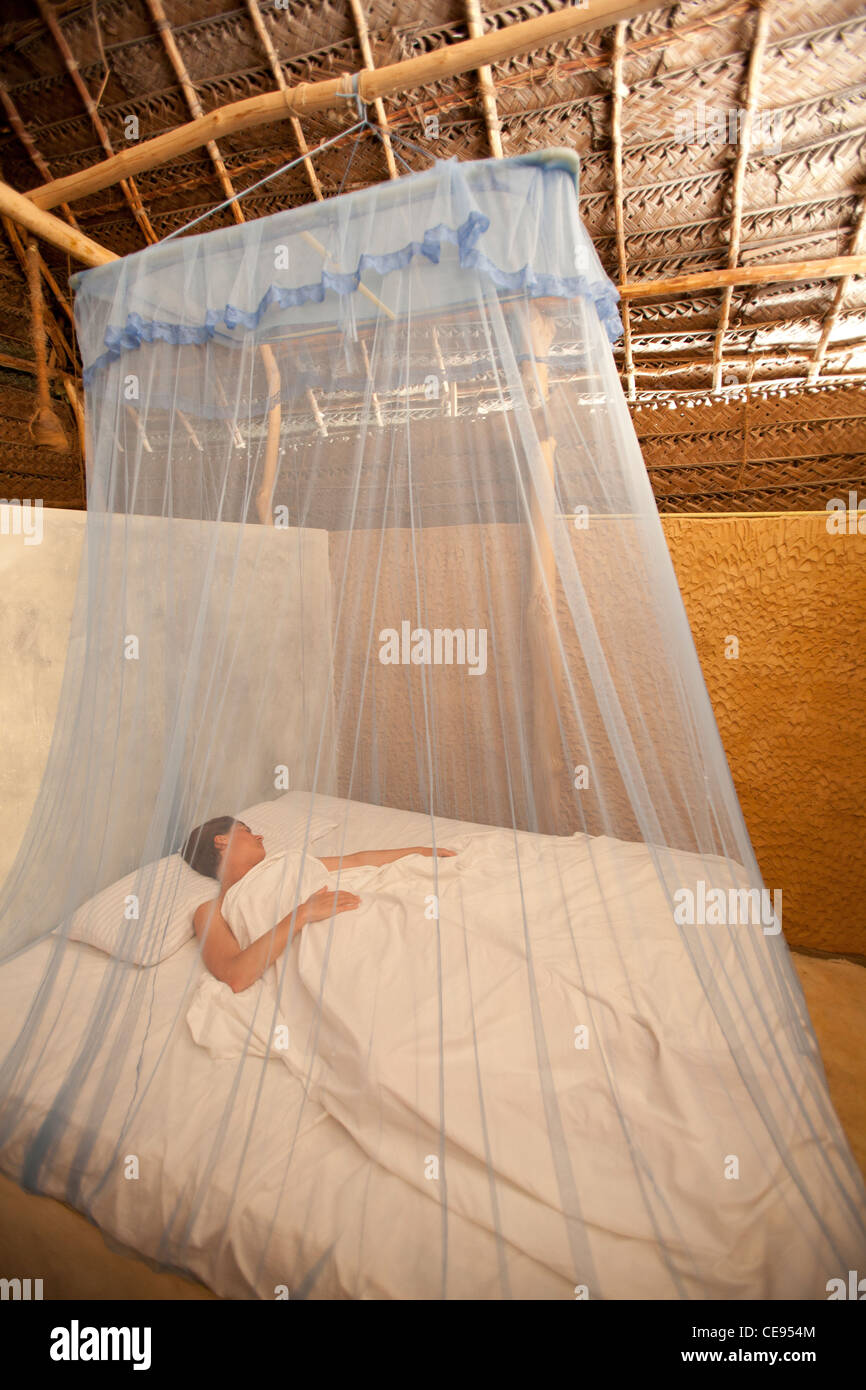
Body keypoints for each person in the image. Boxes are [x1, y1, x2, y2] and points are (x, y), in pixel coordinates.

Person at [181, 816, 455, 994]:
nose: (260, 837)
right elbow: (235, 976)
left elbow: (357, 861)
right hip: (322, 941)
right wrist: (301, 915)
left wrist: (418, 851)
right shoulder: (211, 910)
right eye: (247, 831)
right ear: (222, 840)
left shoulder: (289, 861)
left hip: (359, 908)